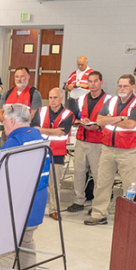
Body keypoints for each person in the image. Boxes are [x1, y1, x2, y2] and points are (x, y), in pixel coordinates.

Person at [0, 105, 51, 270]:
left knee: (7, 246)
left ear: (11, 120)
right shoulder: (39, 138)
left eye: (4, 122)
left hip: (16, 203)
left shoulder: (14, 142)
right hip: (37, 201)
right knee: (26, 242)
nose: (4, 126)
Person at [85, 75, 136, 226]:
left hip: (128, 151)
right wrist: (120, 118)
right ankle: (99, 214)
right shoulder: (111, 101)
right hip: (107, 148)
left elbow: (131, 125)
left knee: (130, 185)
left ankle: (130, 217)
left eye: (125, 86)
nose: (122, 89)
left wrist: (111, 118)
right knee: (102, 183)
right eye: (120, 86)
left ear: (133, 87)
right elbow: (99, 120)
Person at [71, 71, 110, 215]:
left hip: (98, 142)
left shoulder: (109, 100)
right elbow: (73, 117)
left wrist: (98, 125)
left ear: (101, 82)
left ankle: (98, 205)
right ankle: (78, 201)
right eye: (90, 81)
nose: (93, 84)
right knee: (79, 172)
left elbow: (110, 119)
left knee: (99, 174)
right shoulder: (80, 99)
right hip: (81, 139)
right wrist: (79, 122)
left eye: (95, 81)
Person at [34, 88, 76, 219]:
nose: (52, 100)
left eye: (55, 97)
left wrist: (43, 130)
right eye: (50, 97)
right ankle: (34, 207)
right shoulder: (41, 111)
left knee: (55, 184)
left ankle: (54, 209)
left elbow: (61, 132)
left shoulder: (68, 114)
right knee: (37, 182)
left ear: (61, 98)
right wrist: (52, 131)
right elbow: (34, 128)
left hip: (57, 153)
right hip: (39, 151)